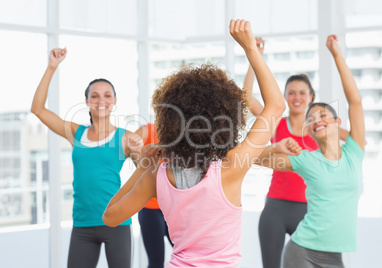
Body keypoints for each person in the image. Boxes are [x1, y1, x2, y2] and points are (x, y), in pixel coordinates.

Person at [102, 19, 287, 267]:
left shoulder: (156, 174)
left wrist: (143, 167)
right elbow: (275, 104)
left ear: (171, 122)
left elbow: (110, 217)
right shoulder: (231, 166)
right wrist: (250, 49)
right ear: (224, 121)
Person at [255, 34, 365, 268]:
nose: (317, 120)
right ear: (310, 132)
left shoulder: (354, 153)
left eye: (323, 115)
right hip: (302, 251)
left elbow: (355, 101)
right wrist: (275, 147)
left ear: (337, 122)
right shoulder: (306, 159)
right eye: (311, 119)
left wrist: (337, 56)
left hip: (334, 255)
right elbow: (254, 159)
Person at [31, 48, 143, 268]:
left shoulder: (125, 137)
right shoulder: (77, 133)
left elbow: (144, 173)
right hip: (82, 224)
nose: (101, 100)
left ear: (114, 101)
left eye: (107, 95)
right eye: (95, 96)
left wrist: (139, 152)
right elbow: (37, 109)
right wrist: (52, 66)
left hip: (116, 222)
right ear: (87, 101)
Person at [134, 123, 173, 268]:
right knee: (156, 262)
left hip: (175, 207)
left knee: (190, 258)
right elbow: (128, 143)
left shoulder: (184, 132)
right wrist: (140, 158)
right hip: (150, 209)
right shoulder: (149, 129)